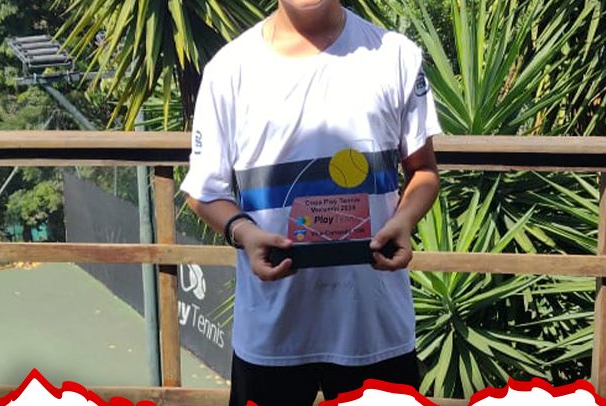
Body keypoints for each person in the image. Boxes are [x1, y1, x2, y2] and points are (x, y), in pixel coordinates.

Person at [180, 0, 442, 404]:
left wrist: (404, 220)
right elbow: (203, 191)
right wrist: (243, 232)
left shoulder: (397, 56)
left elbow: (423, 171)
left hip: (375, 327)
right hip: (272, 332)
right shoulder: (228, 70)